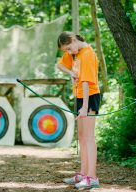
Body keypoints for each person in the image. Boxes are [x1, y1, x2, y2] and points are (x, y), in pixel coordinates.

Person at [56, 31, 101, 189]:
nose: (68, 52)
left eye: (68, 48)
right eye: (66, 51)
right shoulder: (76, 53)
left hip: (90, 97)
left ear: (74, 40)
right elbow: (59, 65)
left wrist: (84, 107)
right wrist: (71, 73)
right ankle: (83, 174)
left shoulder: (87, 54)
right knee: (82, 136)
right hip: (80, 97)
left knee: (89, 137)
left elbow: (87, 82)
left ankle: (92, 177)